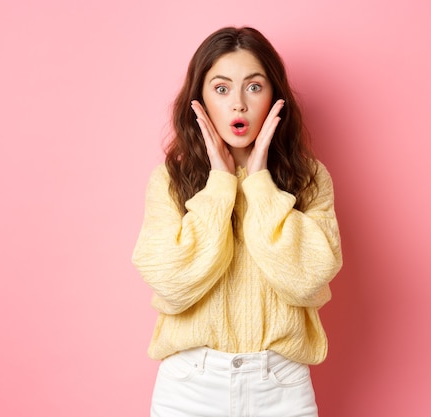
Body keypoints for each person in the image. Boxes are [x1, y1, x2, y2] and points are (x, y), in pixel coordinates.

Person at [132, 26, 342, 417]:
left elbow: (309, 279)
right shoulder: (170, 180)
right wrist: (221, 185)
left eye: (254, 87)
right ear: (201, 100)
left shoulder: (310, 178)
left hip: (281, 387)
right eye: (222, 88)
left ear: (274, 97)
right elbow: (172, 283)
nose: (239, 105)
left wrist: (260, 183)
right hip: (189, 388)